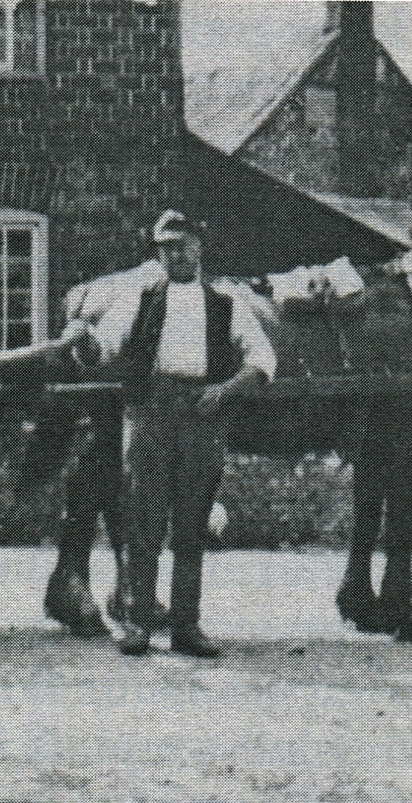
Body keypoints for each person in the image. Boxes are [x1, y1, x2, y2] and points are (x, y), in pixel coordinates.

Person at [67, 210, 276, 657]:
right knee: (144, 522)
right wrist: (82, 340)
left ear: (199, 247)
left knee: (191, 524)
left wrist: (225, 390)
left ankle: (186, 627)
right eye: (166, 248)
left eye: (182, 245)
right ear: (158, 252)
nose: (174, 254)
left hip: (202, 416)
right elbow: (102, 348)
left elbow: (262, 359)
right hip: (150, 416)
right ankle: (139, 623)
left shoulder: (226, 302)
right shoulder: (139, 298)